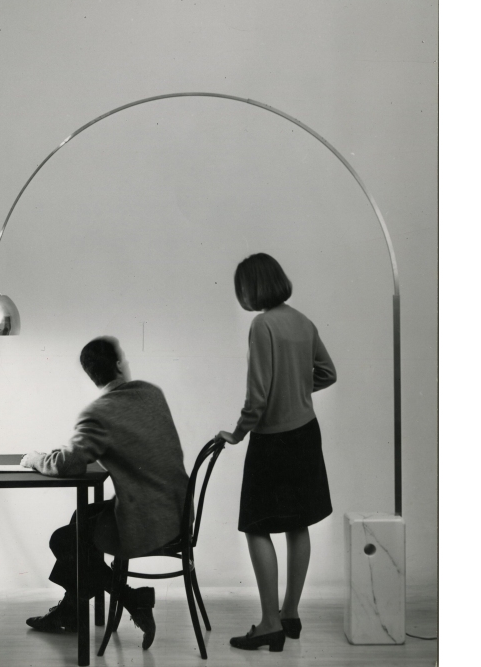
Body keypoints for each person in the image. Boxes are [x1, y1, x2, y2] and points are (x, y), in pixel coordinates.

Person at [20, 336, 190, 650]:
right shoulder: (151, 393)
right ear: (118, 365)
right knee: (81, 518)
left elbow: (68, 464)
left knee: (64, 540)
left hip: (149, 520)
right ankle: (71, 611)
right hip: (178, 511)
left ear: (91, 375)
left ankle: (132, 599)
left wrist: (34, 459)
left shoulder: (98, 412)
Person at [216, 253, 337, 652]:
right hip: (306, 434)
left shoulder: (262, 325)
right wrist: (297, 388)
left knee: (257, 525)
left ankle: (269, 623)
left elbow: (257, 398)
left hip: (272, 441)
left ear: (254, 287)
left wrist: (236, 434)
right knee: (298, 524)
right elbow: (328, 372)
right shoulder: (303, 321)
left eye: (242, 287)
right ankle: (290, 613)